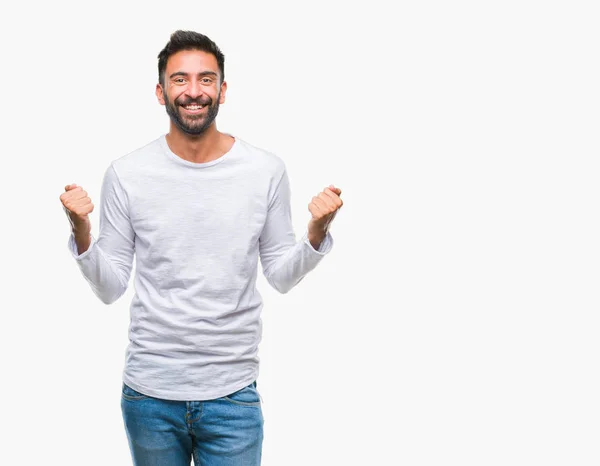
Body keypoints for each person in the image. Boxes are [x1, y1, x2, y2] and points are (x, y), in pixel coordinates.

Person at [59, 30, 343, 465]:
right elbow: (110, 286)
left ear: (223, 90)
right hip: (150, 396)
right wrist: (81, 230)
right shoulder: (127, 173)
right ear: (161, 92)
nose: (194, 92)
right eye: (180, 80)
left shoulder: (264, 170)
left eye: (206, 79)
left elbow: (282, 276)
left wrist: (316, 232)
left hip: (233, 395)